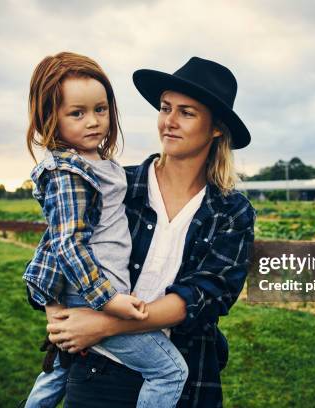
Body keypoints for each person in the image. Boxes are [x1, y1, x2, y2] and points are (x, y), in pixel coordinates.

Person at [45, 57, 256, 408]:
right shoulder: (115, 184)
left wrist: (104, 325)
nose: (169, 122)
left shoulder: (232, 212)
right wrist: (56, 312)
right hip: (99, 371)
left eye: (186, 113)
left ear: (216, 127)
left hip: (185, 376)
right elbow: (58, 247)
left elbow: (205, 297)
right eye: (165, 108)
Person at [22, 51, 188, 408]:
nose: (93, 122)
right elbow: (65, 242)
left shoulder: (99, 164)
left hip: (95, 292)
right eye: (77, 113)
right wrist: (108, 301)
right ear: (50, 118)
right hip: (96, 295)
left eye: (101, 109)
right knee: (170, 371)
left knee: (58, 371)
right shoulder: (68, 174)